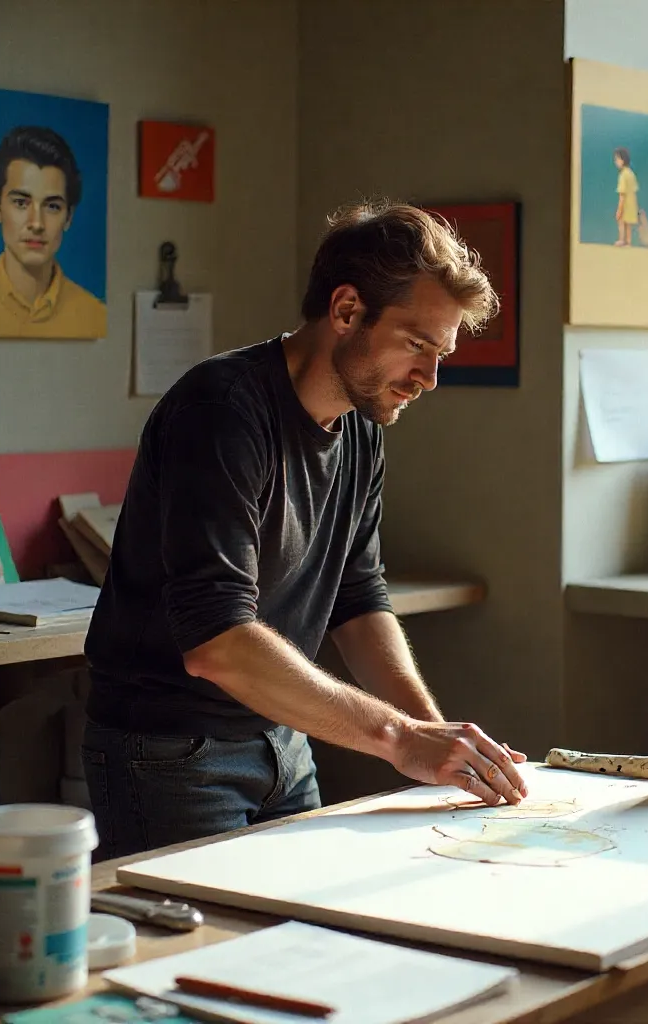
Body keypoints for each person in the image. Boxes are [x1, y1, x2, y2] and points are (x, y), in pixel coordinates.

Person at [80, 200, 529, 860]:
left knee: (300, 922)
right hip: (171, 750)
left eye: (442, 353)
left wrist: (440, 740)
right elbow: (216, 641)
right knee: (211, 930)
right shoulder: (222, 411)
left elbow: (358, 597)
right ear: (346, 310)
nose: (429, 378)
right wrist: (401, 738)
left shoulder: (360, 427)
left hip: (284, 738)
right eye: (417, 344)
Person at [0, 125, 106, 339]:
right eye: (21, 203)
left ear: (68, 217)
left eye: (52, 206)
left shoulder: (95, 316)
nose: (37, 223)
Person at [613, 146, 640, 247]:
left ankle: (621, 239)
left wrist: (619, 209)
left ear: (623, 160)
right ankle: (628, 241)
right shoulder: (631, 174)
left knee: (621, 221)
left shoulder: (623, 175)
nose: (615, 162)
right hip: (632, 204)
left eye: (617, 159)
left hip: (625, 204)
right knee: (628, 224)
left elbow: (622, 194)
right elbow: (634, 190)